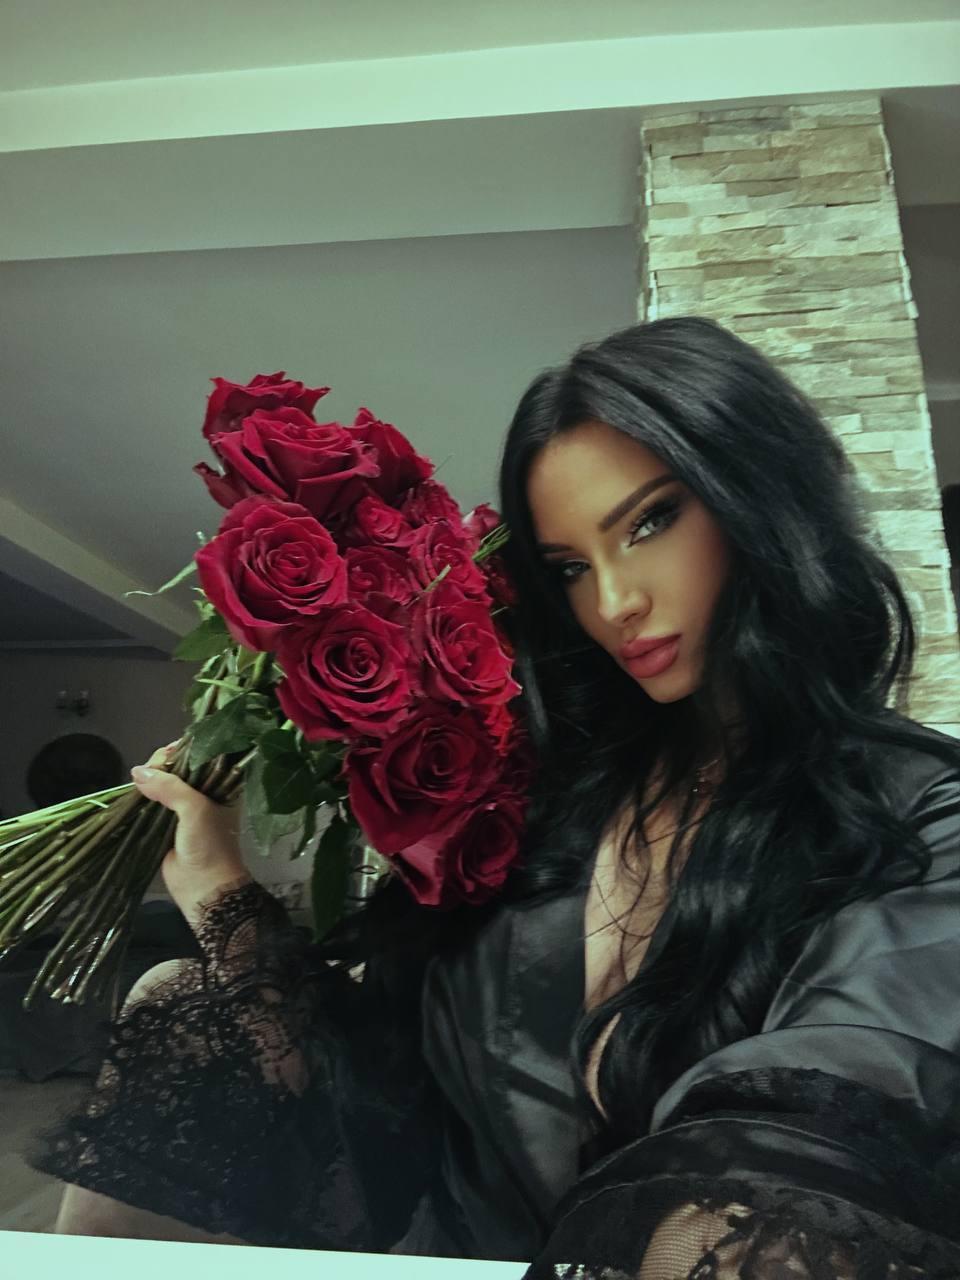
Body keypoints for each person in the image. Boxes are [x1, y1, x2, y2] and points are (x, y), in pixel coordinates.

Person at [30, 318, 960, 1276]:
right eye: (569, 568)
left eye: (649, 523)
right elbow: (390, 1091)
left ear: (762, 499)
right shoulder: (549, 789)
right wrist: (221, 885)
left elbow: (834, 1113)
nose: (615, 602)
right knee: (176, 996)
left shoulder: (924, 817)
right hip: (448, 1255)